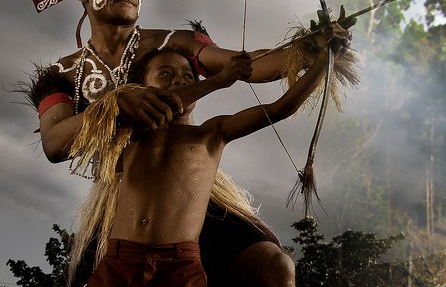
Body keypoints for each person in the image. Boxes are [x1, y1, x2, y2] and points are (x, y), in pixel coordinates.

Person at [11, 0, 356, 287]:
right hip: (119, 206)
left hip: (192, 193)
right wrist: (114, 103)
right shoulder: (61, 74)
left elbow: (253, 67)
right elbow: (55, 144)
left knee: (272, 269)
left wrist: (310, 49)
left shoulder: (175, 46)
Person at [80, 42, 338, 287]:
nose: (179, 80)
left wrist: (325, 61)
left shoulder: (210, 134)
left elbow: (280, 108)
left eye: (188, 77)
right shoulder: (130, 135)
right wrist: (219, 81)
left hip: (180, 262)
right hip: (122, 257)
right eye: (165, 74)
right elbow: (162, 102)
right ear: (141, 87)